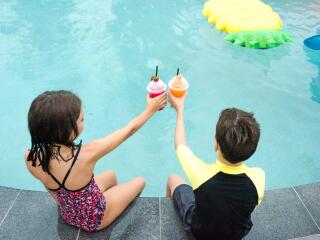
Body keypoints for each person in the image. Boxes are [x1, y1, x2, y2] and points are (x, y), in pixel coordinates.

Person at [24, 90, 167, 232]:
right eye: (82, 120)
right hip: (95, 219)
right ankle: (116, 210)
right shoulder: (86, 153)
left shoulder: (31, 157)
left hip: (67, 214)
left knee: (111, 175)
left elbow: (53, 192)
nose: (83, 122)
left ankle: (113, 199)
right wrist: (151, 109)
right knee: (139, 181)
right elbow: (128, 131)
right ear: (68, 129)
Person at [166, 92, 265, 240]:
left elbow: (180, 144)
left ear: (215, 144)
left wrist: (180, 109)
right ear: (252, 150)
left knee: (172, 179)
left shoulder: (201, 174)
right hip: (236, 234)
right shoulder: (258, 177)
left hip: (200, 233)